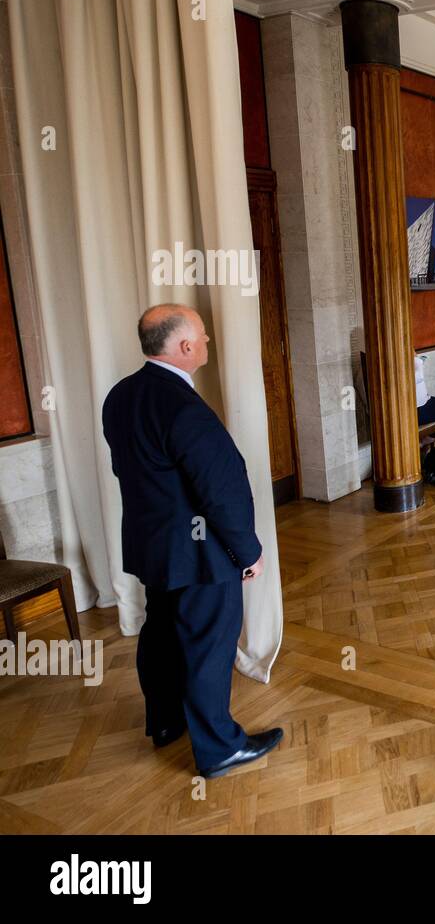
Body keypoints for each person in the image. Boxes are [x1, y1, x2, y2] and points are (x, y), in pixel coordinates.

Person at [101, 303, 283, 779]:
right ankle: (221, 749)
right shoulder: (182, 405)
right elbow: (219, 491)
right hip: (200, 552)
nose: (207, 343)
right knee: (208, 644)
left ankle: (165, 722)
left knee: (160, 632)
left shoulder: (120, 396)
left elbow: (131, 471)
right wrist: (248, 552)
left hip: (154, 545)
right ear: (184, 346)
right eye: (202, 337)